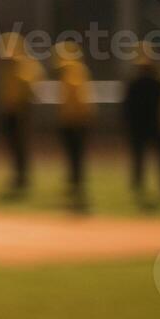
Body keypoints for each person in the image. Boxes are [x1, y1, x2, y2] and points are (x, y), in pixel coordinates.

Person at [123, 40, 160, 202]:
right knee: (159, 157)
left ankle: (141, 184)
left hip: (143, 127)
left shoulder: (135, 83)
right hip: (155, 125)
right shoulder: (159, 83)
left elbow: (127, 108)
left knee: (141, 157)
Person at [0, 30, 42, 195]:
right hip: (8, 110)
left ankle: (23, 177)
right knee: (12, 145)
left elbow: (31, 84)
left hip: (22, 110)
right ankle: (17, 175)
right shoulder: (6, 67)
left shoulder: (25, 65)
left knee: (21, 145)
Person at [52, 38, 93, 206]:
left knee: (75, 157)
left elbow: (79, 99)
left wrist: (77, 119)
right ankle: (75, 185)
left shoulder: (73, 72)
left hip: (74, 123)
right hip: (72, 121)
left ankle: (77, 187)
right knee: (74, 158)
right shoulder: (75, 71)